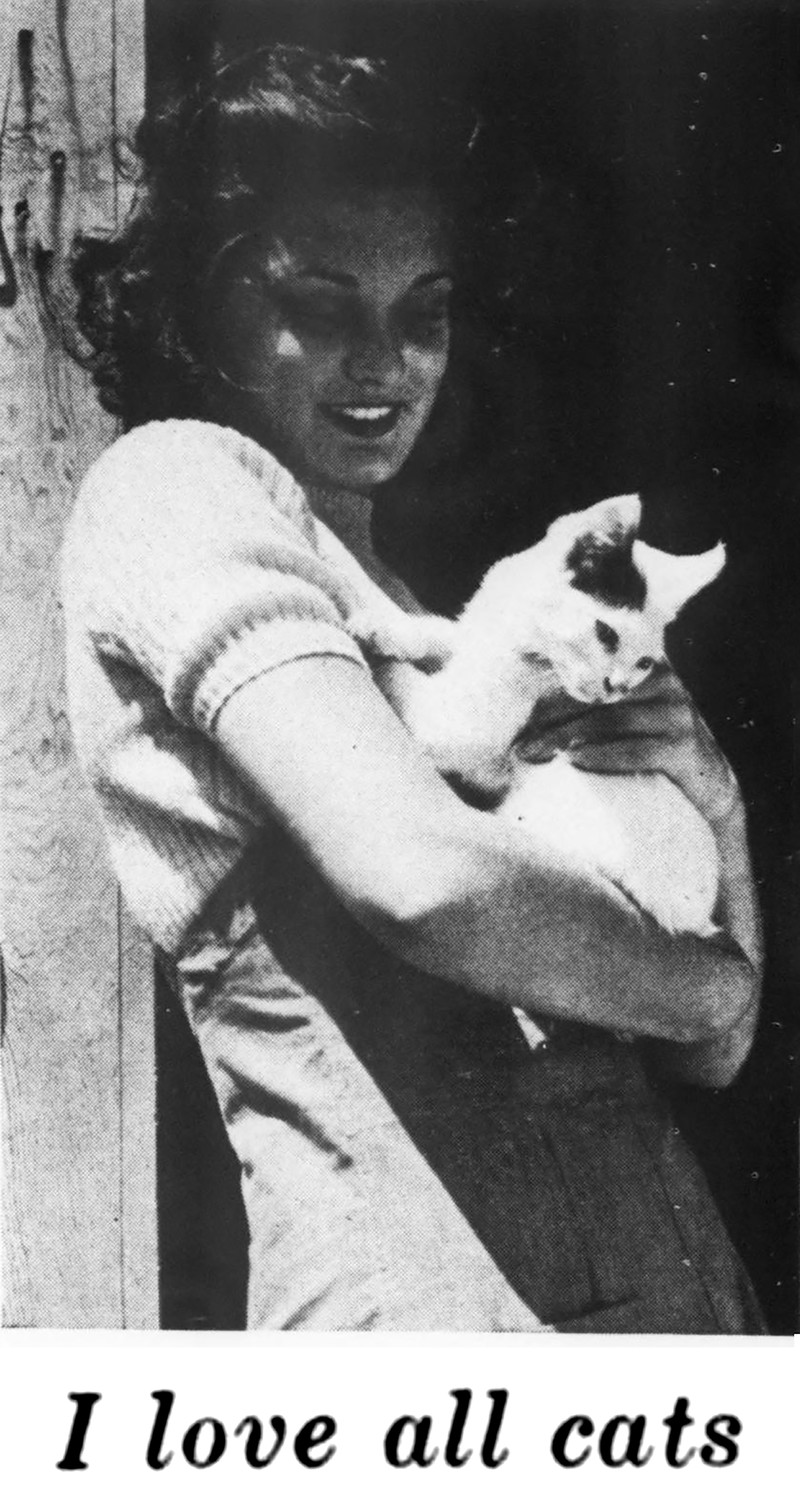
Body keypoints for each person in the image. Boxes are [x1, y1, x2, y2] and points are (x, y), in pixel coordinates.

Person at [62, 44, 765, 1331]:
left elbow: (712, 1061)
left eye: (423, 309)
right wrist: (711, 974)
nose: (384, 362)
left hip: (660, 1309)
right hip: (428, 1334)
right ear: (201, 307)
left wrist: (712, 805)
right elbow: (420, 876)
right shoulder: (177, 485)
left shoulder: (417, 607)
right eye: (321, 306)